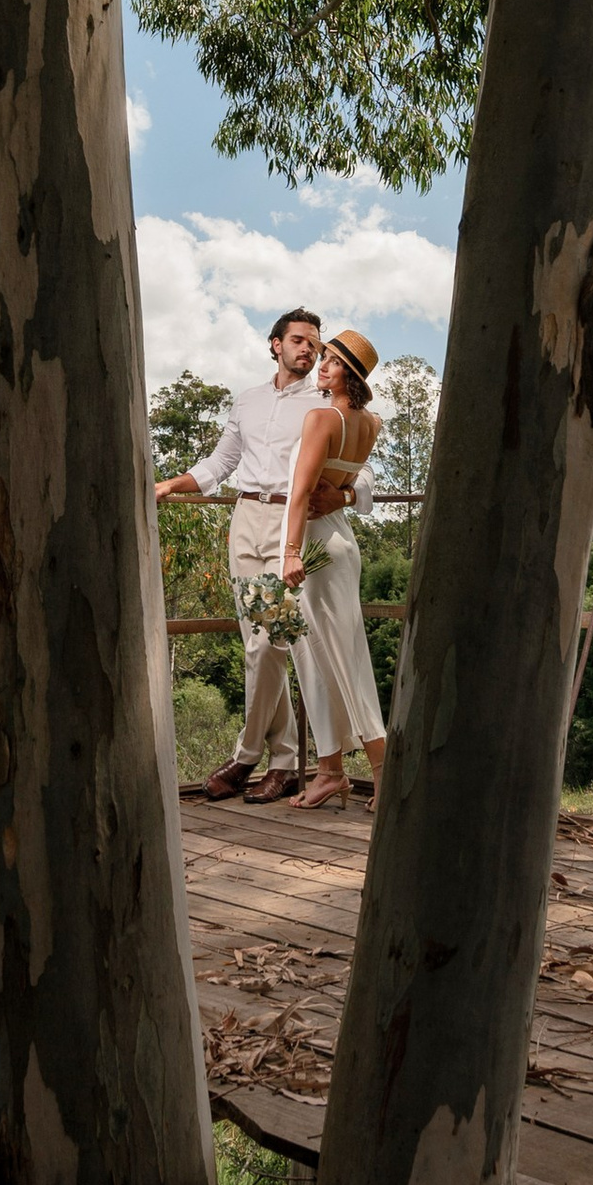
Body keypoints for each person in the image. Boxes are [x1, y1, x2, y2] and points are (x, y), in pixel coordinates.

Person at [154, 307, 322, 801]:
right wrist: (170, 484)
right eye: (297, 340)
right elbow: (221, 462)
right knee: (258, 643)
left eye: (314, 342)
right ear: (275, 345)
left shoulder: (323, 403)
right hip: (245, 522)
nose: (307, 349)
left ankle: (247, 755)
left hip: (291, 526)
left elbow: (352, 464)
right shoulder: (247, 401)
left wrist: (351, 495)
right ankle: (286, 761)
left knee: (271, 642)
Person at [279, 327, 385, 813]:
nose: (321, 366)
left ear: (351, 375)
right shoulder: (372, 423)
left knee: (345, 658)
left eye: (332, 361)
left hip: (318, 547)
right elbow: (353, 482)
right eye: (322, 358)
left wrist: (290, 553)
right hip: (342, 539)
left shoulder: (321, 418)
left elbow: (300, 494)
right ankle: (330, 772)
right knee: (318, 656)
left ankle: (386, 773)